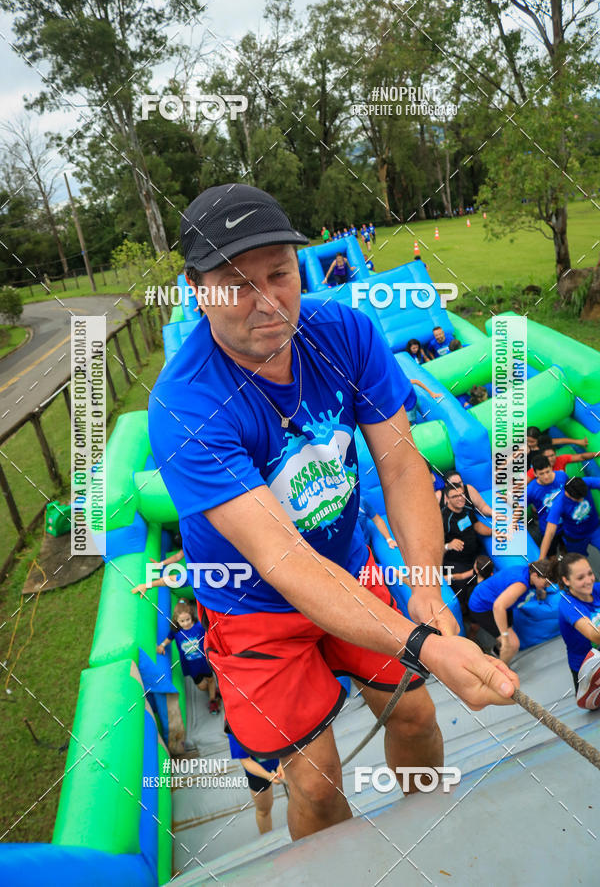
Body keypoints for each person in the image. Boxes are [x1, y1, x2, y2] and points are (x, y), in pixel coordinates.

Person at [149, 182, 517, 841]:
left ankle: (435, 845)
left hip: (352, 569)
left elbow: (401, 464)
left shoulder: (346, 331)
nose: (267, 301)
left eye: (280, 274)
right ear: (195, 288)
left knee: (417, 716)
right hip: (253, 607)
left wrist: (426, 585)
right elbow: (281, 557)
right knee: (315, 783)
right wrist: (423, 642)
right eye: (236, 283)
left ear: (300, 266)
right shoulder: (185, 404)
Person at [468, 560, 554, 664]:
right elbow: (498, 607)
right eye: (546, 583)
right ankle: (500, 671)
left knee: (508, 639)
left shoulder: (529, 570)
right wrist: (505, 638)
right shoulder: (520, 585)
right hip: (484, 607)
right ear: (535, 575)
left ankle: (496, 651)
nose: (547, 586)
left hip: (500, 600)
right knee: (512, 644)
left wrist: (541, 589)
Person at [158, 600, 221, 714]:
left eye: (188, 619)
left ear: (192, 616)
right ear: (176, 620)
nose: (186, 623)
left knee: (211, 679)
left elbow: (210, 631)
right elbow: (169, 638)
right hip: (191, 665)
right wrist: (162, 645)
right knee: (201, 686)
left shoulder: (199, 627)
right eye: (182, 621)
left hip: (204, 662)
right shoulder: (176, 631)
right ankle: (215, 691)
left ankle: (213, 700)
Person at [441, 484, 493, 614]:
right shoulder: (443, 519)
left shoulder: (467, 509)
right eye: (455, 496)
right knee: (462, 589)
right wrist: (448, 545)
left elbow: (476, 525)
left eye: (462, 494)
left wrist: (493, 532)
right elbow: (433, 548)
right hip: (455, 562)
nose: (460, 498)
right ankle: (467, 614)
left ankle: (484, 609)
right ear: (447, 499)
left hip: (473, 555)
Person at [227, 731, 285, 834]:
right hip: (257, 772)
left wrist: (281, 762)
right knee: (263, 810)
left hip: (283, 757)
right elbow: (246, 760)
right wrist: (267, 776)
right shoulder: (234, 722)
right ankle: (268, 840)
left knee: (299, 795)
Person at [557, 553, 600, 691]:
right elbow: (594, 635)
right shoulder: (568, 605)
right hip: (587, 669)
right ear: (567, 581)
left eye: (590, 574)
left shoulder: (597, 589)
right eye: (581, 578)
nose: (588, 581)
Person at [539, 476, 600, 558]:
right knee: (578, 561)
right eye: (578, 498)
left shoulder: (584, 482)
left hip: (595, 529)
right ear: (568, 494)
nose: (582, 500)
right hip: (575, 538)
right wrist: (541, 558)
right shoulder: (559, 504)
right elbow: (549, 533)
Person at [525, 454, 568, 551]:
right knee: (551, 556)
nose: (546, 476)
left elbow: (570, 492)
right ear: (535, 474)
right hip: (548, 527)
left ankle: (563, 554)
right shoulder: (531, 490)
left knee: (567, 549)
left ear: (551, 468)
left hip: (567, 523)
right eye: (541, 474)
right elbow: (519, 508)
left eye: (547, 471)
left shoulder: (562, 476)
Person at [525, 443, 599, 482]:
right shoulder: (537, 469)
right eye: (547, 457)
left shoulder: (561, 459)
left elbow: (581, 457)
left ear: (555, 454)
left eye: (552, 455)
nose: (551, 459)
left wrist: (597, 454)